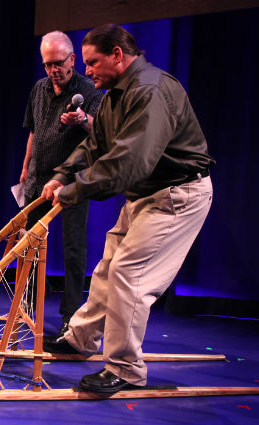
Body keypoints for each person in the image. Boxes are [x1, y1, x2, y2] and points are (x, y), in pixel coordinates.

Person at [41, 24, 215, 393]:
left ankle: (125, 370)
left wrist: (74, 191)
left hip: (176, 196)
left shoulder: (150, 91)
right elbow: (95, 146)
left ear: (117, 55)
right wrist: (62, 175)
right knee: (108, 267)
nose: (87, 71)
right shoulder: (114, 95)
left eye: (93, 62)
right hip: (146, 194)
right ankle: (80, 339)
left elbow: (127, 162)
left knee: (129, 275)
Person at [21, 31, 103, 336]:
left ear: (72, 60)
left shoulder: (89, 90)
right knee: (30, 244)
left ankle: (71, 314)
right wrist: (25, 166)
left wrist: (82, 119)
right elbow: (33, 131)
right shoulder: (39, 88)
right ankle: (27, 305)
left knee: (73, 248)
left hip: (72, 180)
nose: (53, 70)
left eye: (58, 63)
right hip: (38, 176)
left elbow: (103, 132)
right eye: (47, 64)